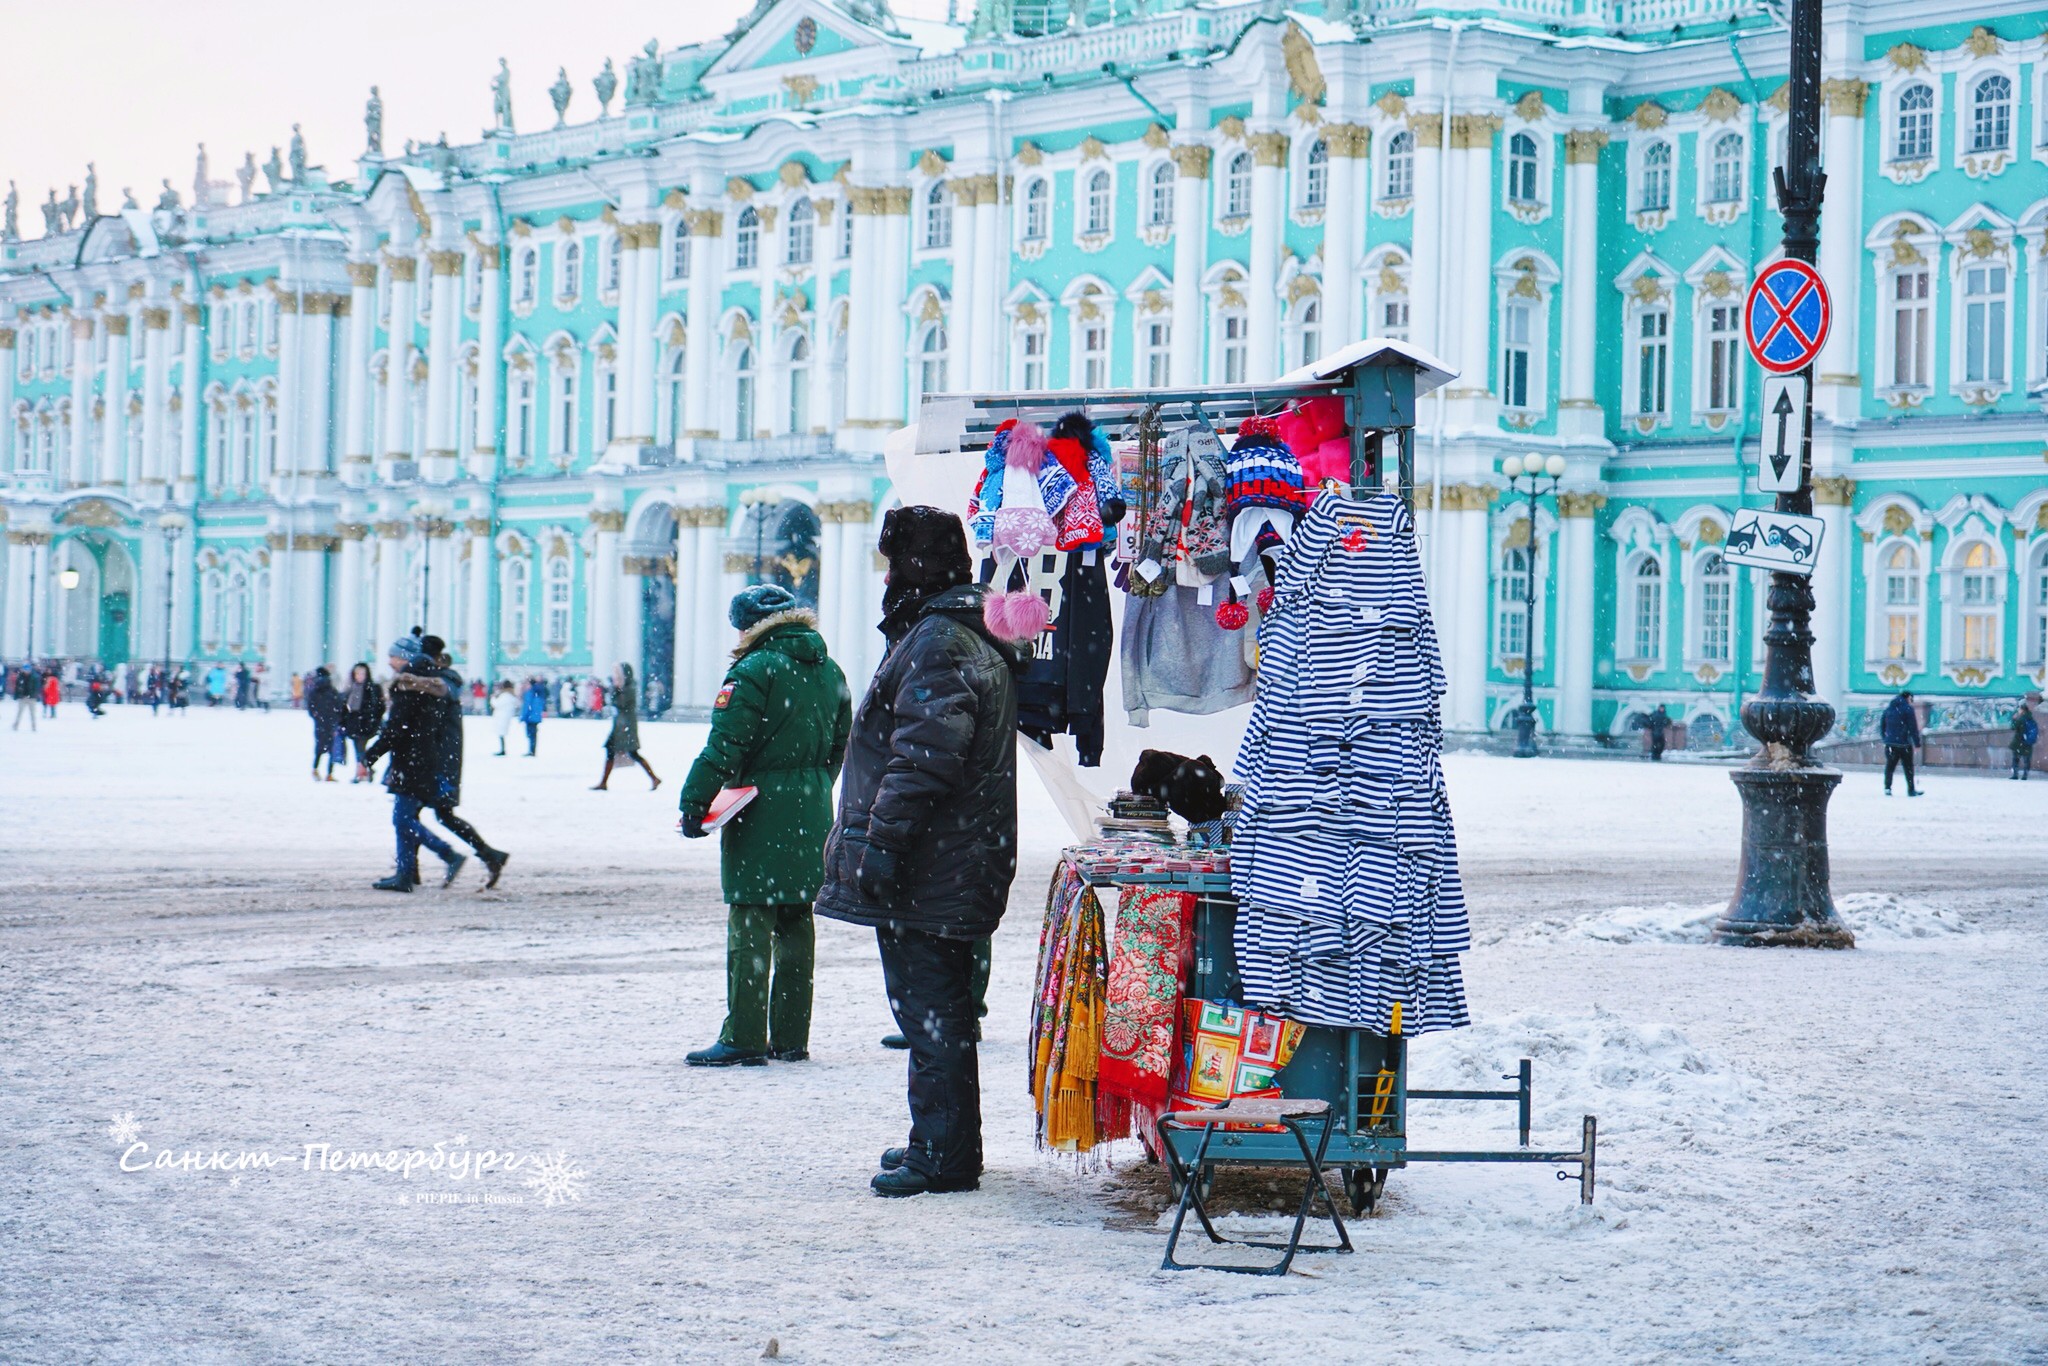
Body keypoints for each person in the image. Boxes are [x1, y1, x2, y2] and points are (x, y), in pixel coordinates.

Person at [814, 507, 1026, 1198]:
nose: (883, 575)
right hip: (951, 858)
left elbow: (924, 759)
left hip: (934, 863)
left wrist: (881, 843)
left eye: (890, 559)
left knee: (932, 1013)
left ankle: (943, 1155)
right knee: (937, 1012)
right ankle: (939, 1139)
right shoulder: (951, 632)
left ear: (914, 563)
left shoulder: (939, 641)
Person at [679, 585, 851, 1069]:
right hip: (814, 806)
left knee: (751, 921)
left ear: (747, 625)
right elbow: (840, 744)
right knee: (797, 921)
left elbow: (725, 745)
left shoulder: (754, 670)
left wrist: (695, 801)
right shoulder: (830, 669)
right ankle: (791, 1037)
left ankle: (745, 1036)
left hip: (758, 809)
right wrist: (811, 786)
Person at [364, 637, 465, 892]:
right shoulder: (433, 685)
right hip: (425, 758)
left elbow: (396, 729)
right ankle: (405, 873)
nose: (390, 661)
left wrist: (369, 757)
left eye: (394, 656)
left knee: (403, 819)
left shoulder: (408, 685)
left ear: (407, 658)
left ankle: (447, 855)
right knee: (404, 818)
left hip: (410, 761)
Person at [416, 634, 510, 889]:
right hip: (441, 758)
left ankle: (473, 855)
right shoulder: (443, 682)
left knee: (415, 814)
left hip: (440, 761)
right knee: (435, 814)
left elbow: (435, 723)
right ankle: (489, 855)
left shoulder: (443, 684)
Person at [591, 662, 660, 791]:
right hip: (620, 724)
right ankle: (604, 782)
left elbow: (621, 704)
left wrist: (616, 690)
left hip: (625, 726)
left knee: (632, 753)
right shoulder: (623, 687)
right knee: (612, 751)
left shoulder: (629, 688)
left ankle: (654, 778)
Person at [342, 663, 385, 781]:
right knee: (360, 749)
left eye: (362, 673)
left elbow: (380, 706)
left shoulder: (373, 688)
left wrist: (373, 719)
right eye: (357, 673)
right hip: (354, 723)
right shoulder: (351, 688)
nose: (359, 676)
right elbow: (344, 707)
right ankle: (368, 769)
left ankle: (360, 773)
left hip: (367, 723)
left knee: (360, 749)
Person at [306, 666, 346, 781]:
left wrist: (316, 716)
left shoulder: (314, 691)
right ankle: (329, 773)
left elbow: (310, 707)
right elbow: (339, 706)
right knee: (331, 749)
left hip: (320, 724)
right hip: (331, 723)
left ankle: (315, 769)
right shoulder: (332, 690)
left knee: (319, 748)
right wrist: (337, 718)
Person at [1881, 689, 1922, 797]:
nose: (1911, 701)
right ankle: (1911, 790)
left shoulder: (1889, 709)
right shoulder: (1908, 709)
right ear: (1908, 697)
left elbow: (1882, 726)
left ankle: (1887, 788)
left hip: (1890, 744)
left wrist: (1886, 739)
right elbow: (1913, 727)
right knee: (1908, 768)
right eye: (1911, 699)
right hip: (1904, 744)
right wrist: (1917, 743)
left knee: (1890, 767)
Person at [2010, 699, 2038, 781]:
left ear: (2023, 710)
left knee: (2016, 759)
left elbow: (2013, 727)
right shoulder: (2031, 719)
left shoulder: (2021, 719)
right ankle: (2025, 775)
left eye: (2020, 709)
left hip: (2019, 742)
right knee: (2027, 760)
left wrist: (2013, 719)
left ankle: (2015, 774)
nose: (2019, 711)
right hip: (2028, 742)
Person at [490, 680, 520, 757]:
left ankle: (502, 749)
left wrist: (492, 698)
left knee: (501, 733)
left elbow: (496, 704)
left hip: (501, 717)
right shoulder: (511, 695)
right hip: (506, 717)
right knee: (502, 733)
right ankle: (502, 749)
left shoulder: (505, 696)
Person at [520, 676, 546, 756]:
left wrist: (523, 716)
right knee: (534, 734)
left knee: (530, 734)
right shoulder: (539, 692)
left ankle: (531, 751)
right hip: (536, 716)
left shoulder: (530, 693)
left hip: (530, 717)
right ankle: (532, 750)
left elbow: (527, 706)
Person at [11, 664, 38, 731]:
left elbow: (36, 688)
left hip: (31, 698)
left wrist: (33, 695)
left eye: (28, 670)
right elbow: (17, 687)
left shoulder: (34, 677)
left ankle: (33, 726)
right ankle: (16, 725)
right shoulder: (20, 677)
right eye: (25, 670)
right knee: (19, 712)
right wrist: (17, 695)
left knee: (32, 713)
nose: (26, 671)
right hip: (22, 697)